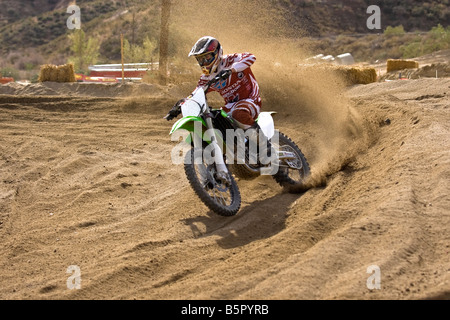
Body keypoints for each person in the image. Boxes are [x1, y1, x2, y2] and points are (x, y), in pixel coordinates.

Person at [166, 36, 262, 130]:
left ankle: (265, 143)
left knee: (238, 114)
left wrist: (231, 70)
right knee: (216, 120)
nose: (203, 62)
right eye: (200, 59)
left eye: (206, 57)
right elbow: (195, 94)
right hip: (230, 106)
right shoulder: (206, 78)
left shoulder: (230, 60)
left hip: (251, 100)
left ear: (217, 53)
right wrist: (179, 107)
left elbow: (251, 57)